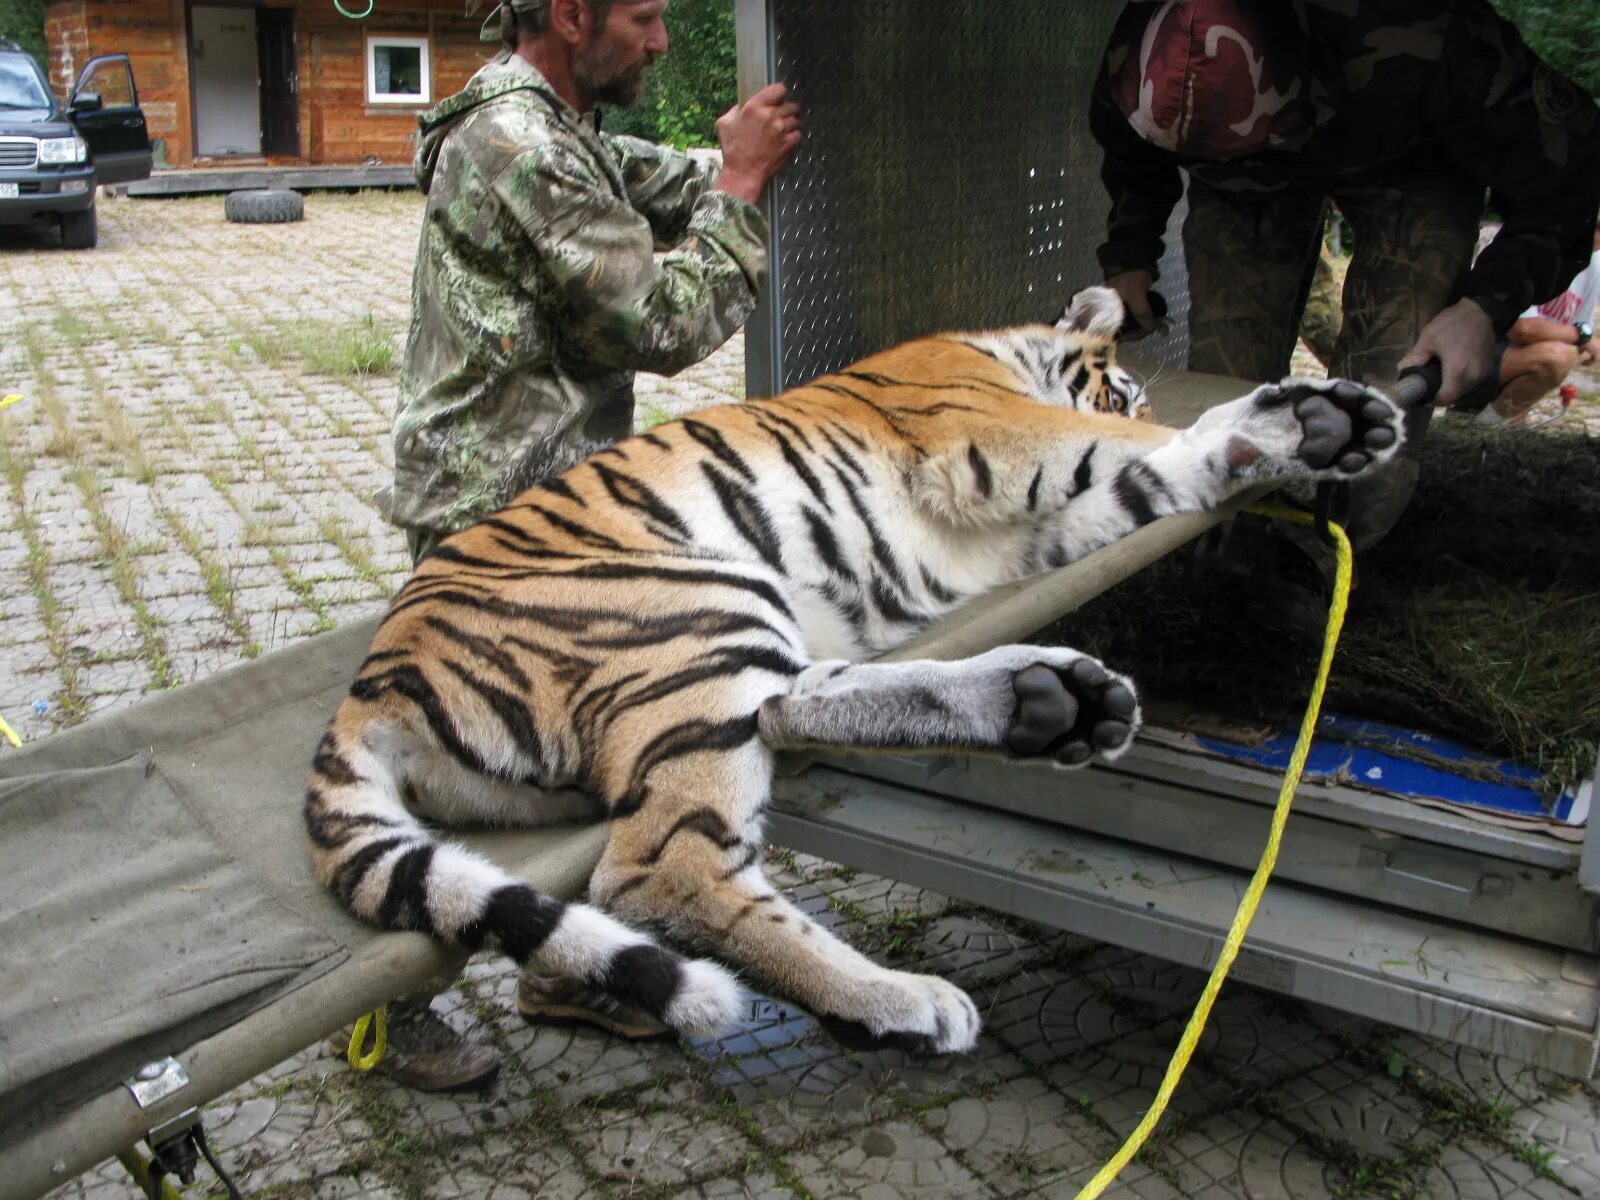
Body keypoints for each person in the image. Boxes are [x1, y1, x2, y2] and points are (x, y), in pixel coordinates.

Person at [341, 0, 801, 1091]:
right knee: (472, 777)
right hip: (490, 519)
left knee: (575, 757)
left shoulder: (560, 124)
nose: (659, 42)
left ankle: (559, 972)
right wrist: (740, 191)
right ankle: (378, 1009)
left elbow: (652, 179)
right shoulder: (520, 143)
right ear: (567, 13)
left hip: (548, 512)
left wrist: (732, 162)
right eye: (642, 18)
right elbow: (662, 323)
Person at [1090, 0, 1600, 557]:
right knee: (1227, 371)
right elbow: (1132, 155)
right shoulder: (1140, 48)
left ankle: (1324, 560)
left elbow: (1569, 178)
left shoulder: (1429, 37)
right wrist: (1130, 258)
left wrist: (1485, 307)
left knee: (1391, 377)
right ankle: (1223, 558)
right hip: (1244, 195)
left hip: (1409, 159)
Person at [1455, 215, 1600, 423]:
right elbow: (1522, 328)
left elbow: (1579, 331)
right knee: (1556, 357)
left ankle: (1494, 422)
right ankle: (1487, 429)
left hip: (1507, 360)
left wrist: (1580, 335)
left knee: (1557, 354)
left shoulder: (1593, 263)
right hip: (1465, 352)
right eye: (1595, 227)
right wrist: (1581, 334)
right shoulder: (1535, 248)